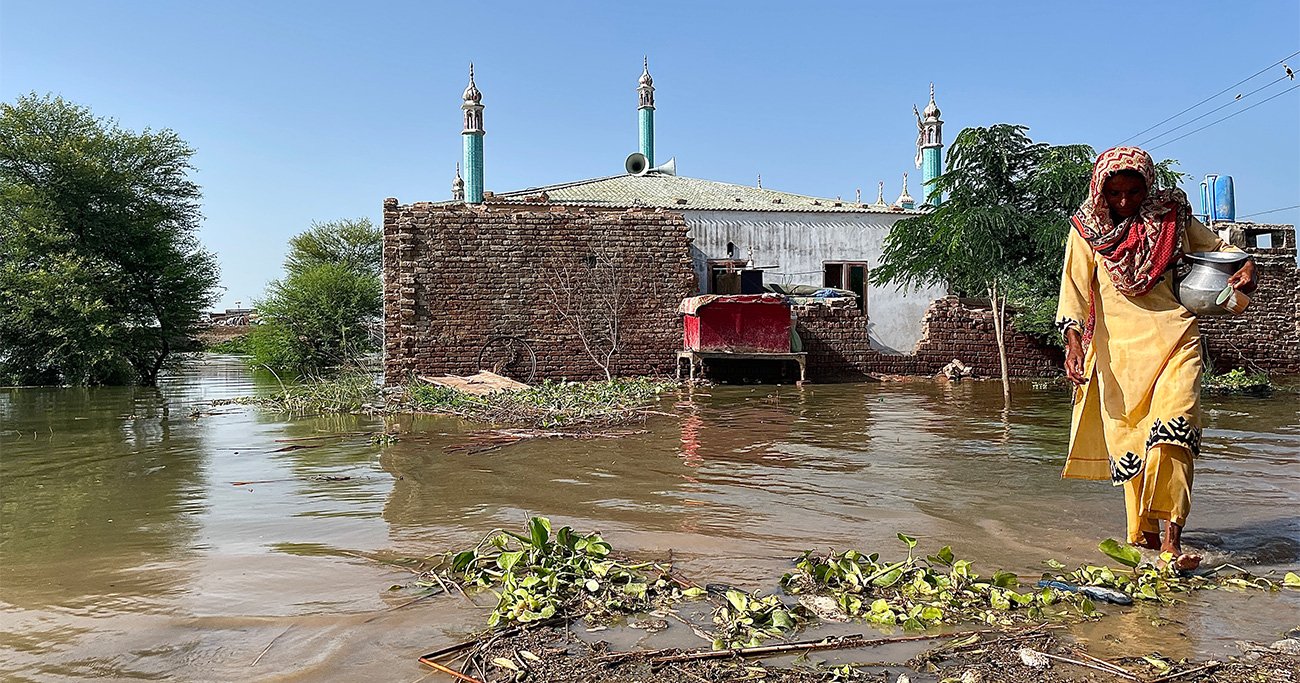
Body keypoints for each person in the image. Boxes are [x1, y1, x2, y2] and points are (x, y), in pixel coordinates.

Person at [1055, 146, 1257, 571]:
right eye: (1115, 193)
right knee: (1133, 446)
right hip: (1118, 355)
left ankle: (1171, 541)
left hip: (1176, 338)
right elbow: (1073, 291)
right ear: (1100, 190)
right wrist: (1074, 344)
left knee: (1175, 432)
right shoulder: (1086, 230)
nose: (1125, 202)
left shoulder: (1171, 218)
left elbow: (1223, 252)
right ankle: (1145, 534)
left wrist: (1247, 267)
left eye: (1133, 191)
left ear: (1148, 186)